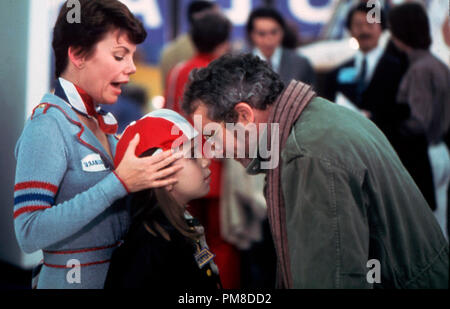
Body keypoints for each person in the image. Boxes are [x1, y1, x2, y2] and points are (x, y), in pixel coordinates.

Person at [181, 53, 449, 288]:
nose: (214, 150)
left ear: (244, 115)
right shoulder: (319, 118)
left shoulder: (307, 155)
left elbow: (331, 280)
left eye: (212, 136)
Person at [13, 0, 182, 289]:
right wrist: (120, 182)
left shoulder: (103, 122)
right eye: (119, 56)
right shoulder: (47, 127)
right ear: (78, 54)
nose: (131, 68)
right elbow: (28, 232)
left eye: (131, 56)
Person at [323, 2, 436, 210]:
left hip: (395, 166)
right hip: (351, 169)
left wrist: (374, 118)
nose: (364, 30)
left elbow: (411, 116)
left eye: (370, 23)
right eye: (357, 24)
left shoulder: (404, 68)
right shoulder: (335, 74)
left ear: (382, 28)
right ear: (349, 28)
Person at [164, 12, 242, 288]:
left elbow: (169, 116)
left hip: (182, 164)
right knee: (222, 240)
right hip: (218, 168)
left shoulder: (177, 72)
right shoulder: (226, 76)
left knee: (188, 235)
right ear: (222, 43)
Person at [104, 109, 221, 289]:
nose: (205, 161)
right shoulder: (149, 249)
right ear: (160, 173)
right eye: (192, 155)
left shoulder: (180, 226)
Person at [389, 2, 450, 239]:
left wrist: (389, 128)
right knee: (440, 224)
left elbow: (419, 121)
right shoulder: (438, 65)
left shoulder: (419, 70)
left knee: (428, 230)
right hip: (440, 152)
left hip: (425, 156)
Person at [246, 7, 315, 86]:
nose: (268, 40)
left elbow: (312, 96)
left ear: (282, 31)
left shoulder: (301, 64)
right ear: (251, 35)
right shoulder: (240, 66)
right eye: (262, 34)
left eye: (273, 32)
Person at [159, 1, 219, 90]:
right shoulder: (208, 51)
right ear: (200, 18)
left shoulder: (169, 51)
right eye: (216, 19)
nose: (219, 24)